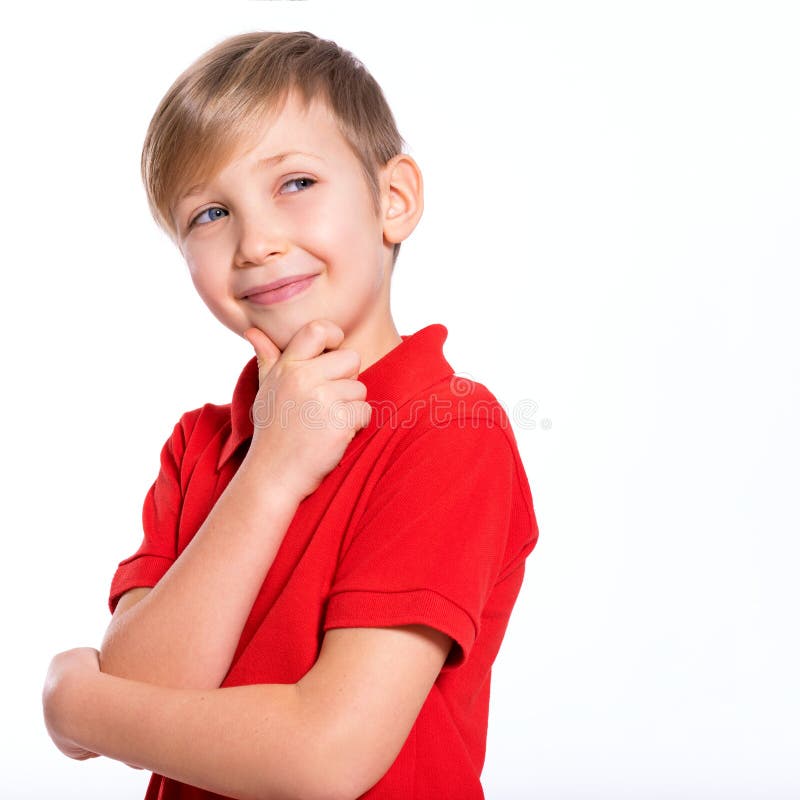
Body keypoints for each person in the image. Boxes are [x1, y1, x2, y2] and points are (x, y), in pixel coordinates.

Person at [42, 30, 539, 800]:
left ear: (393, 199)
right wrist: (270, 471)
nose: (258, 242)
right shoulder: (199, 445)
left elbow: (323, 759)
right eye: (209, 214)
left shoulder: (447, 429)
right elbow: (145, 684)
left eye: (296, 183)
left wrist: (74, 704)